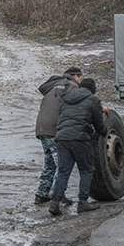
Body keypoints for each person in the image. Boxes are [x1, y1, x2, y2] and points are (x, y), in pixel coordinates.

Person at [49, 75, 108, 216]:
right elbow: (99, 124)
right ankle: (83, 202)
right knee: (86, 169)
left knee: (63, 171)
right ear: (92, 89)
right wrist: (105, 131)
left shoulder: (66, 99)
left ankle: (55, 203)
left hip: (62, 138)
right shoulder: (93, 100)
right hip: (80, 138)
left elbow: (61, 117)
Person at [34, 66, 84, 204]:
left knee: (50, 162)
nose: (81, 81)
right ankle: (58, 194)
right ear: (75, 76)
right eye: (80, 77)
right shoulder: (71, 86)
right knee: (62, 163)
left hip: (41, 127)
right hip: (55, 128)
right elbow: (81, 105)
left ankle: (42, 194)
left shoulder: (52, 87)